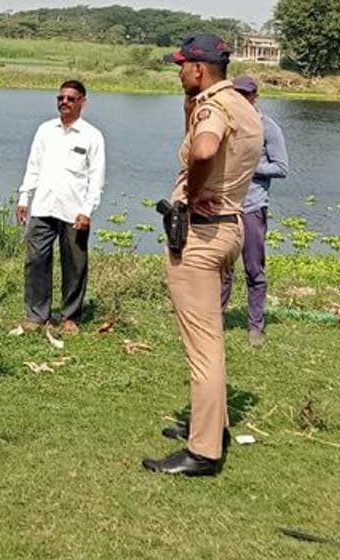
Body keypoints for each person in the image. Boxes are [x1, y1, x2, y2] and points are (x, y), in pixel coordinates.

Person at [142, 35, 261, 477]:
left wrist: (191, 191)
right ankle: (213, 426)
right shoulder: (241, 104)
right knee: (210, 337)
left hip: (201, 234)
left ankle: (204, 452)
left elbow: (206, 147)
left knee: (202, 347)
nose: (178, 74)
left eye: (182, 67)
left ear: (198, 69)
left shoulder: (213, 108)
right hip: (230, 226)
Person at [15, 79, 105, 333]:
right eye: (61, 98)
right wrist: (24, 198)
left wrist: (87, 211)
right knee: (36, 260)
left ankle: (70, 316)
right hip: (43, 207)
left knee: (75, 264)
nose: (64, 102)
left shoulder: (91, 136)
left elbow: (96, 178)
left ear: (82, 103)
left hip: (74, 211)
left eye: (71, 98)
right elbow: (33, 167)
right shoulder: (45, 130)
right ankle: (36, 315)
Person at [221, 75, 288, 348]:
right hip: (225, 206)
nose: (241, 99)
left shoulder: (267, 128)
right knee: (222, 267)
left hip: (252, 206)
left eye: (246, 95)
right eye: (236, 94)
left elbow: (282, 168)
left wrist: (248, 166)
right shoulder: (224, 125)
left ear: (255, 97)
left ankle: (256, 327)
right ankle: (215, 321)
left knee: (253, 269)